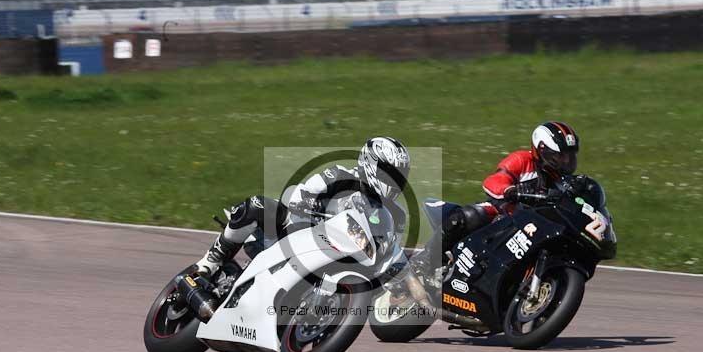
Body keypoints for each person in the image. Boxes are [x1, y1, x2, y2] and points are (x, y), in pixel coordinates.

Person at [192, 137, 411, 276]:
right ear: (370, 164)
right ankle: (214, 257)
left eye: (400, 177)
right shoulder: (341, 175)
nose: (394, 182)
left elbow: (391, 249)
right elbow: (304, 191)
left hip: (342, 258)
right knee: (259, 205)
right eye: (390, 174)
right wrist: (306, 206)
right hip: (301, 231)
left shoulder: (396, 216)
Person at [417, 121, 580, 275]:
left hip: (534, 228)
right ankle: (424, 263)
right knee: (468, 216)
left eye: (570, 156)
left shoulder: (565, 183)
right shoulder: (522, 160)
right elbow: (493, 181)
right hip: (504, 214)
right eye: (561, 156)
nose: (566, 161)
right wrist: (511, 190)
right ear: (542, 150)